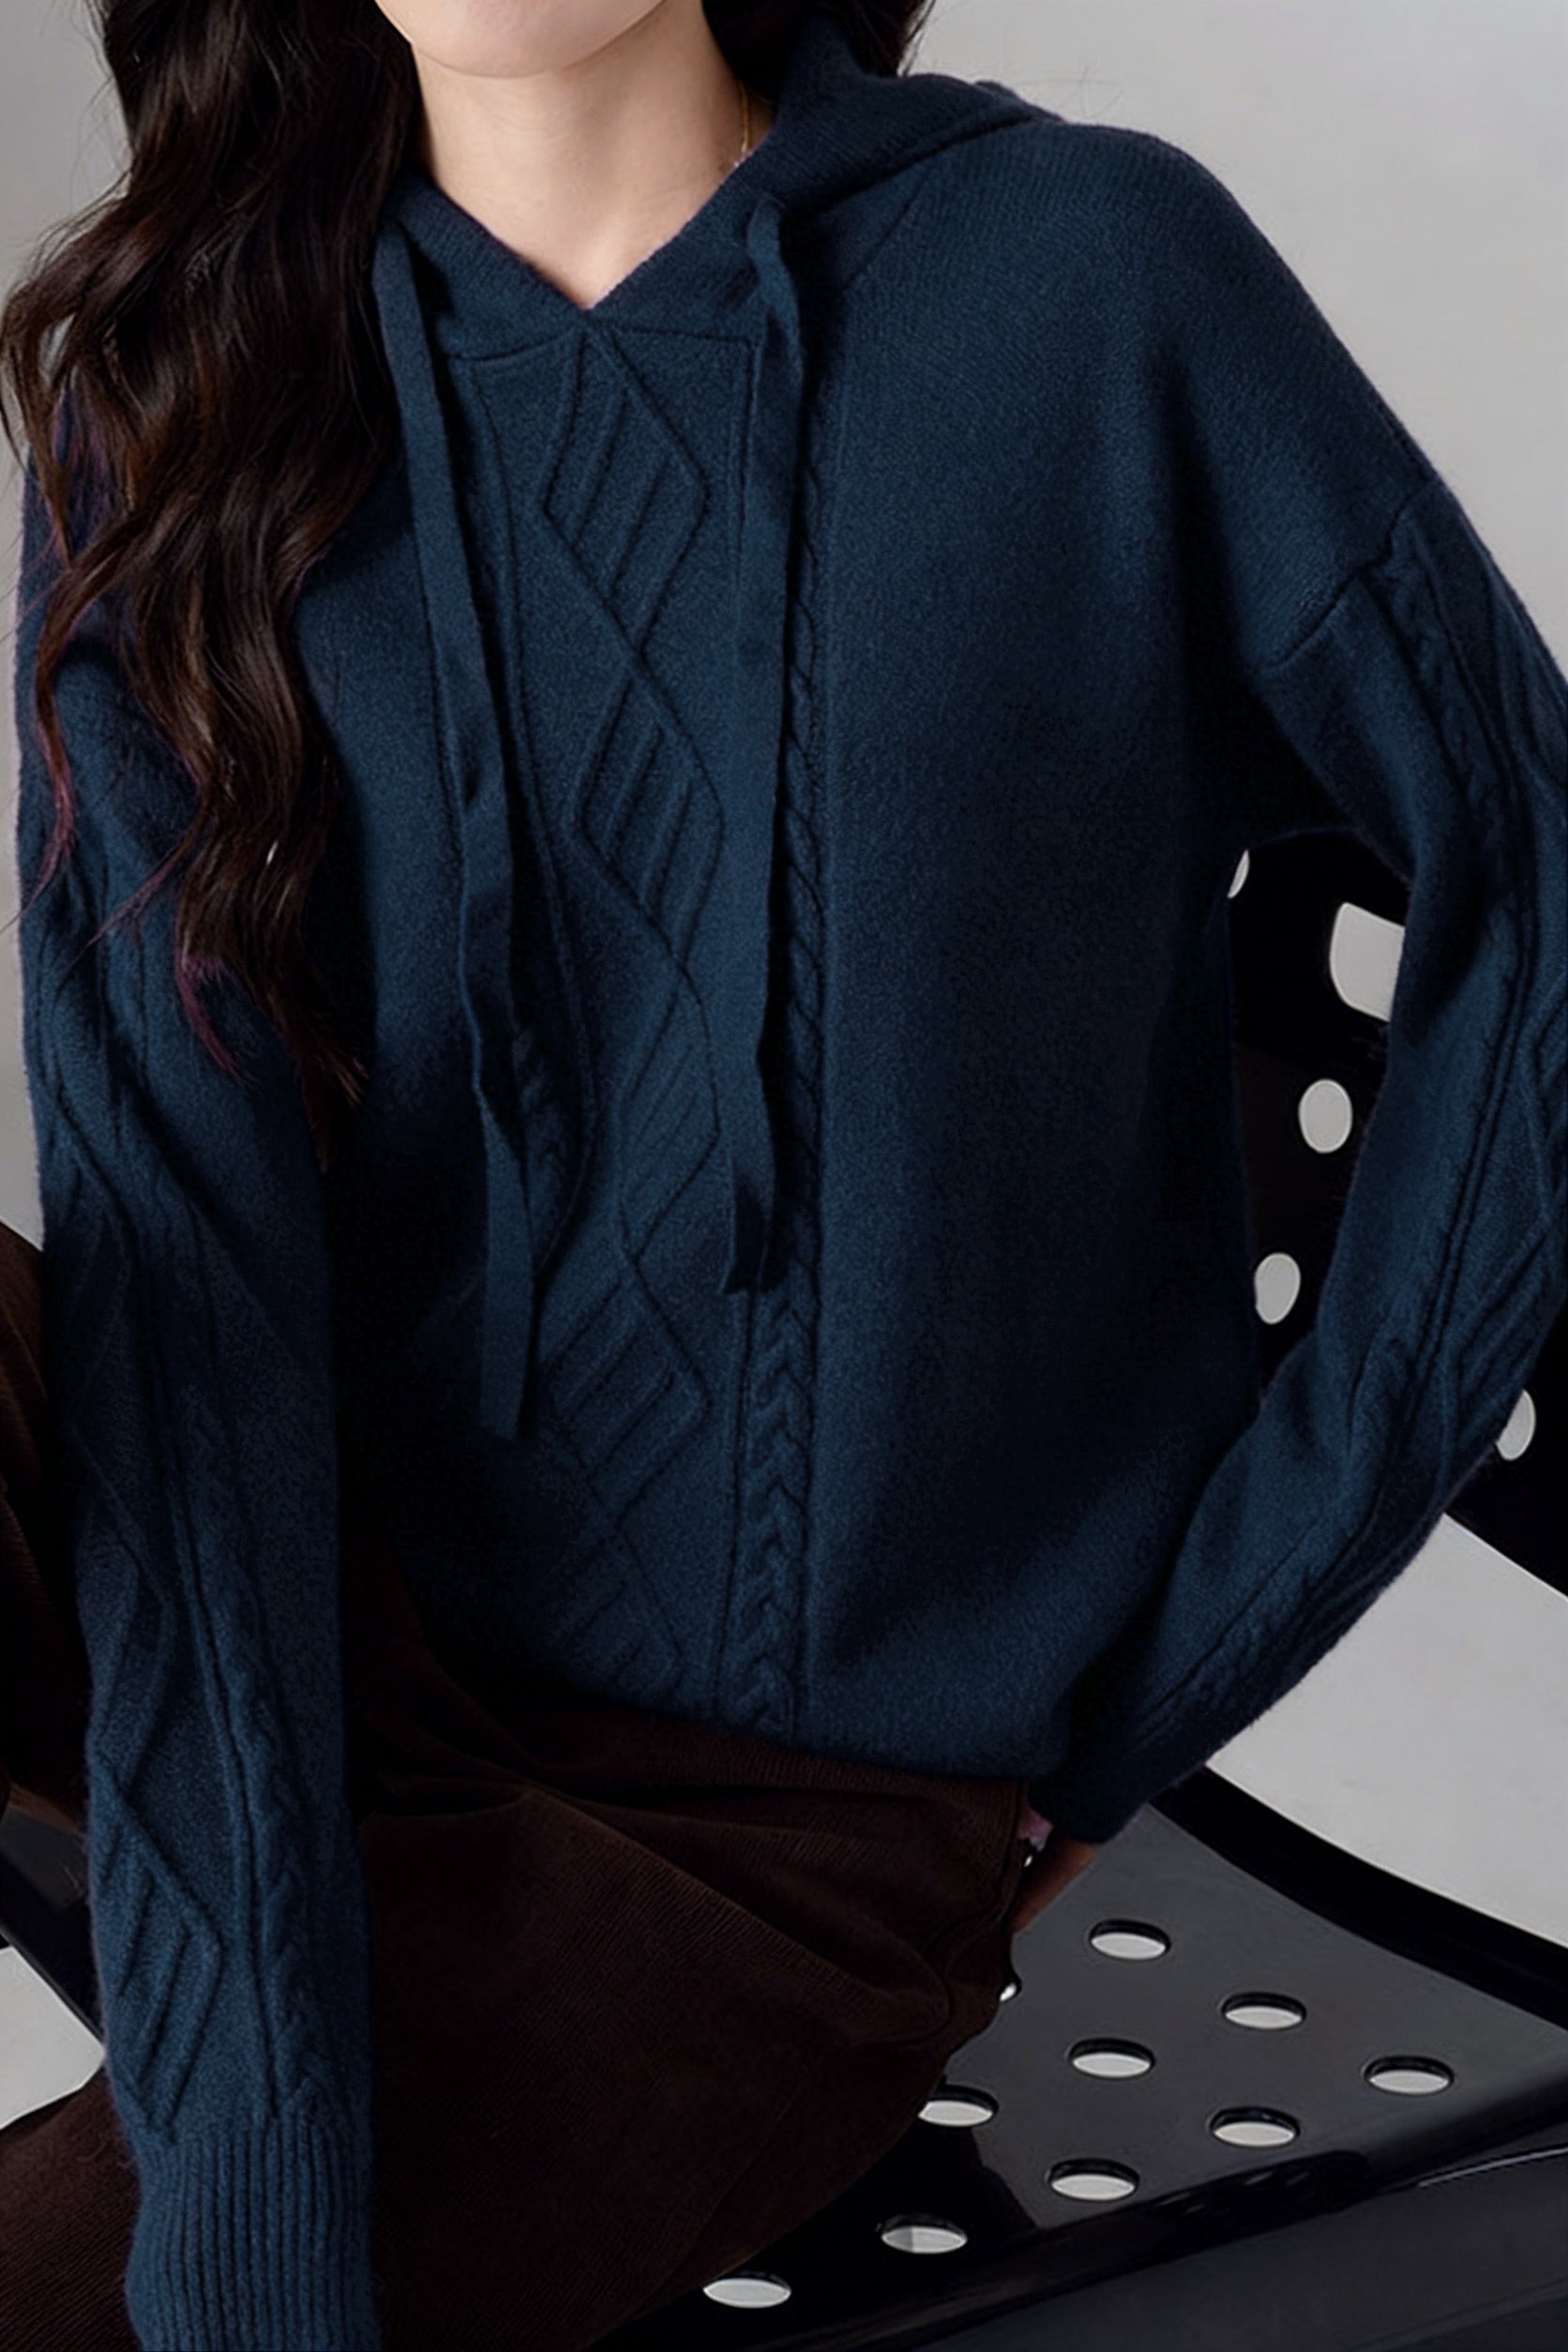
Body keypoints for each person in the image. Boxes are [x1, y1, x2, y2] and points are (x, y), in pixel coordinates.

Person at [2, 1, 1561, 2347]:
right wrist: (256, 2140)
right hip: (322, 1626)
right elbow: (184, 1347)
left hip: (791, 1842)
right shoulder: (195, 394)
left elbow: (1536, 897)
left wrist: (1169, 1668)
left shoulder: (1088, 283)